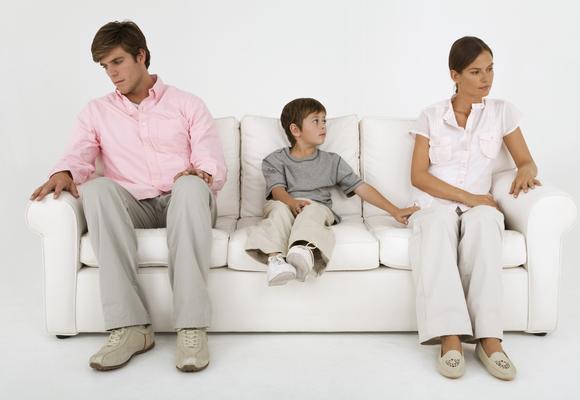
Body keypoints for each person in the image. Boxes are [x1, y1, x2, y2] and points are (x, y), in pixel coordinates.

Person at [30, 20, 227, 372]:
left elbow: (209, 157)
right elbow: (79, 153)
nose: (111, 73)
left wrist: (200, 173)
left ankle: (191, 328)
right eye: (105, 66)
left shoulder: (187, 104)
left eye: (117, 61)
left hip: (185, 202)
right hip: (134, 205)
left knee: (190, 186)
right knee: (97, 189)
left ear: (141, 56)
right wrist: (64, 172)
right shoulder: (96, 112)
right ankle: (131, 328)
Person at [408, 36, 541, 380]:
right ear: (455, 75)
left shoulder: (502, 112)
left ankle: (489, 339)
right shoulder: (430, 116)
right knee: (436, 225)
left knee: (485, 223)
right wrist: (468, 197)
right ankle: (450, 337)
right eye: (475, 71)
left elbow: (526, 161)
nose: (486, 78)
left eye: (490, 69)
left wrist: (526, 171)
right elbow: (419, 176)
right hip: (436, 204)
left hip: (480, 207)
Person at [245, 98, 419, 286]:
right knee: (278, 210)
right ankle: (276, 261)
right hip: (285, 202)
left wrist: (394, 210)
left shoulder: (332, 161)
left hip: (315, 206)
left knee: (312, 210)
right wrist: (291, 203)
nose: (323, 126)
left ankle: (302, 251)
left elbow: (362, 188)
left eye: (324, 120)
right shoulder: (274, 160)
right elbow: (277, 190)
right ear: (295, 130)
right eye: (316, 121)